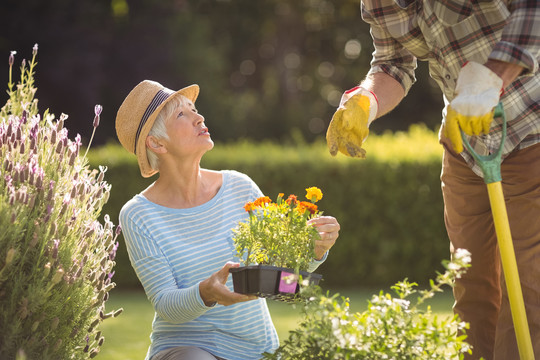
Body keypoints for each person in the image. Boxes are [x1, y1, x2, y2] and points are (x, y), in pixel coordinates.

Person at [325, 1, 539, 359]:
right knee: (472, 285)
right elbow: (392, 62)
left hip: (530, 131)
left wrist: (492, 77)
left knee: (529, 286)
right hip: (465, 144)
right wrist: (368, 100)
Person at [115, 80, 340, 360]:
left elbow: (286, 282)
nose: (199, 117)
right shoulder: (139, 214)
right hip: (185, 349)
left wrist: (314, 251)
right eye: (182, 114)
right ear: (157, 142)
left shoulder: (239, 188)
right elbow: (165, 304)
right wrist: (205, 293)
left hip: (258, 350)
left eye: (194, 109)